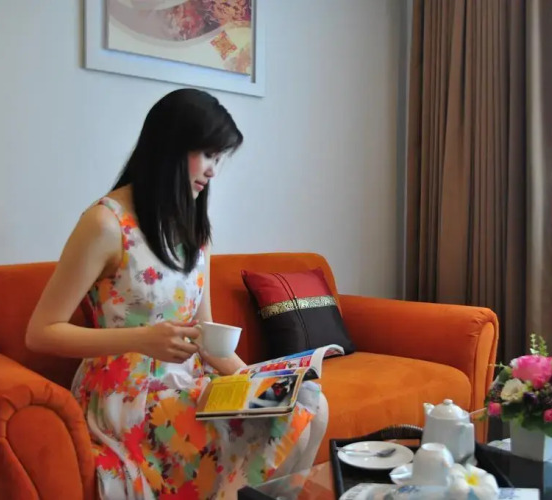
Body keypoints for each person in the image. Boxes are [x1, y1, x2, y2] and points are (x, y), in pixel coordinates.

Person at [26, 88, 329, 499]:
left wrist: (255, 380)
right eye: (207, 155)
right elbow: (41, 331)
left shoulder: (195, 231)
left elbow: (205, 332)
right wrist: (141, 339)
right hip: (129, 398)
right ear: (169, 146)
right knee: (284, 423)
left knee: (309, 405)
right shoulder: (105, 224)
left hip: (192, 384)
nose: (213, 171)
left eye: (219, 159)